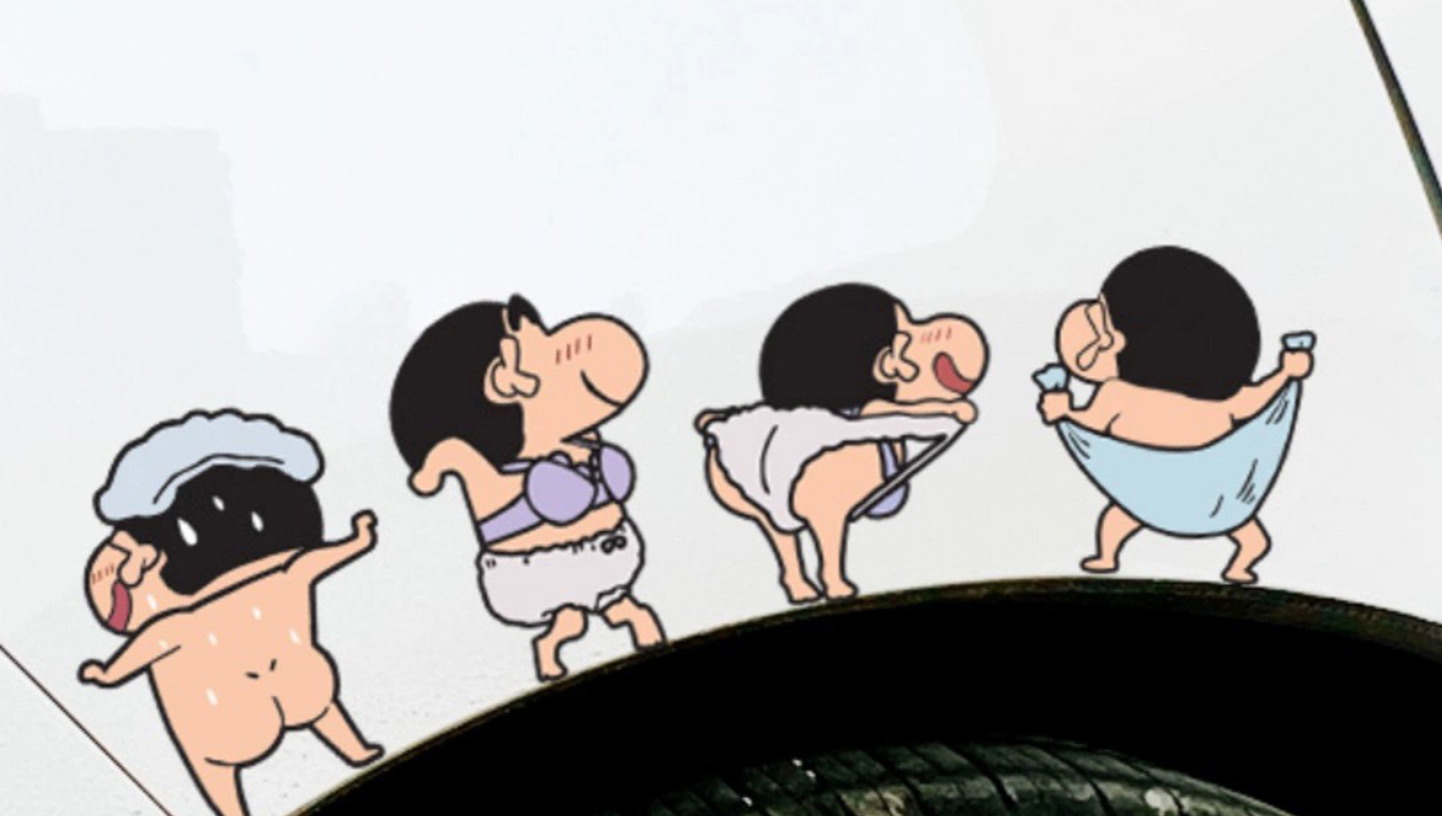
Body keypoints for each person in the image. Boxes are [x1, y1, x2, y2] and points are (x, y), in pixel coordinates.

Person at [79, 410, 381, 816]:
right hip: (295, 678)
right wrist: (358, 540)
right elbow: (313, 562)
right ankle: (350, 751)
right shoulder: (282, 574)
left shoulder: (180, 619)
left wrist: (107, 673)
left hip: (225, 714)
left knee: (216, 763)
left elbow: (148, 643)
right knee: (320, 709)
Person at [390, 294, 664, 681]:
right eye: (542, 345)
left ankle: (583, 632)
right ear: (501, 380)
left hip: (608, 555)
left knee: (616, 609)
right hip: (533, 571)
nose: (562, 343)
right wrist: (429, 473)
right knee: (572, 619)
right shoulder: (484, 473)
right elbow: (444, 457)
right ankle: (550, 645)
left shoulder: (581, 438)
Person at [1037, 247, 1314, 584]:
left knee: (1120, 517)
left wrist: (1064, 410)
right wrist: (1286, 373)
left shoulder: (1129, 395)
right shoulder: (1123, 394)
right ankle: (1111, 555)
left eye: (1101, 320)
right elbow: (1257, 401)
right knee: (1125, 519)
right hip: (1180, 494)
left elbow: (1090, 424)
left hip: (1186, 492)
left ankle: (1112, 555)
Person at [698, 282, 988, 602]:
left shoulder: (866, 417)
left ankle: (799, 575)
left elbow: (900, 415)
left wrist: (944, 409)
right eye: (904, 336)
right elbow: (897, 414)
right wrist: (946, 409)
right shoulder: (853, 426)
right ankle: (820, 575)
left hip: (782, 447)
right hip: (745, 467)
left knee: (793, 512)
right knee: (792, 513)